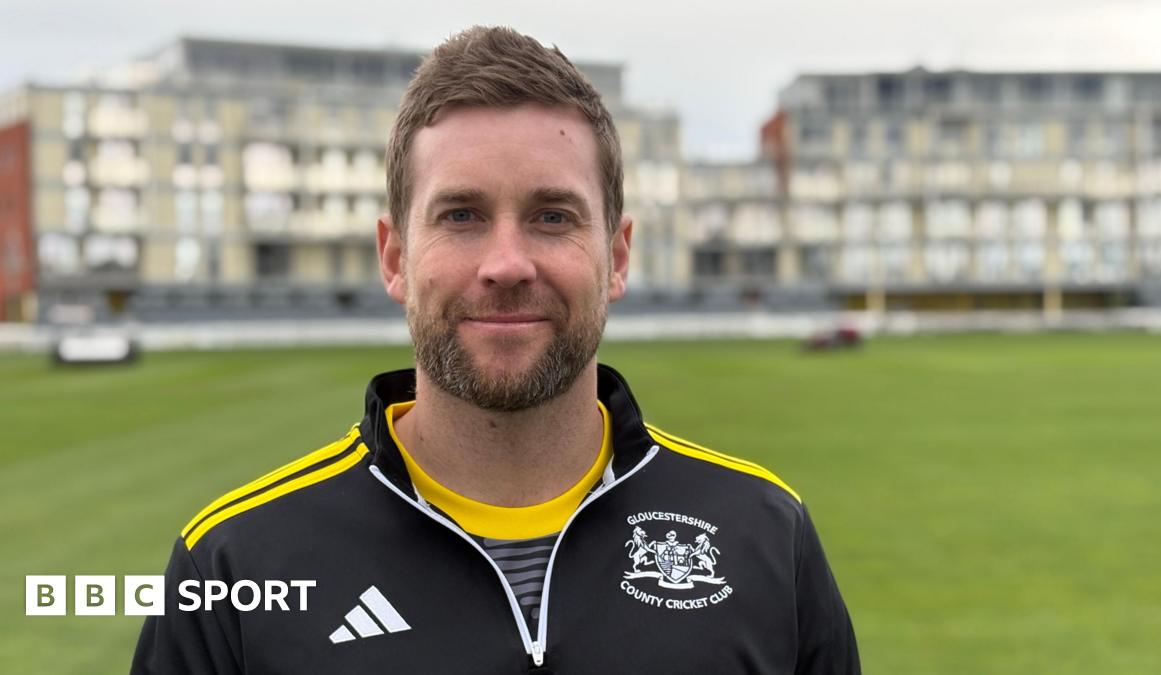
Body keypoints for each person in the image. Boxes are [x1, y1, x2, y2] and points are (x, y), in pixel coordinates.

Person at [131, 26, 859, 674]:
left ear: (618, 255)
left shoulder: (765, 532)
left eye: (551, 215)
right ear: (393, 257)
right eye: (461, 214)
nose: (507, 262)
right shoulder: (231, 567)